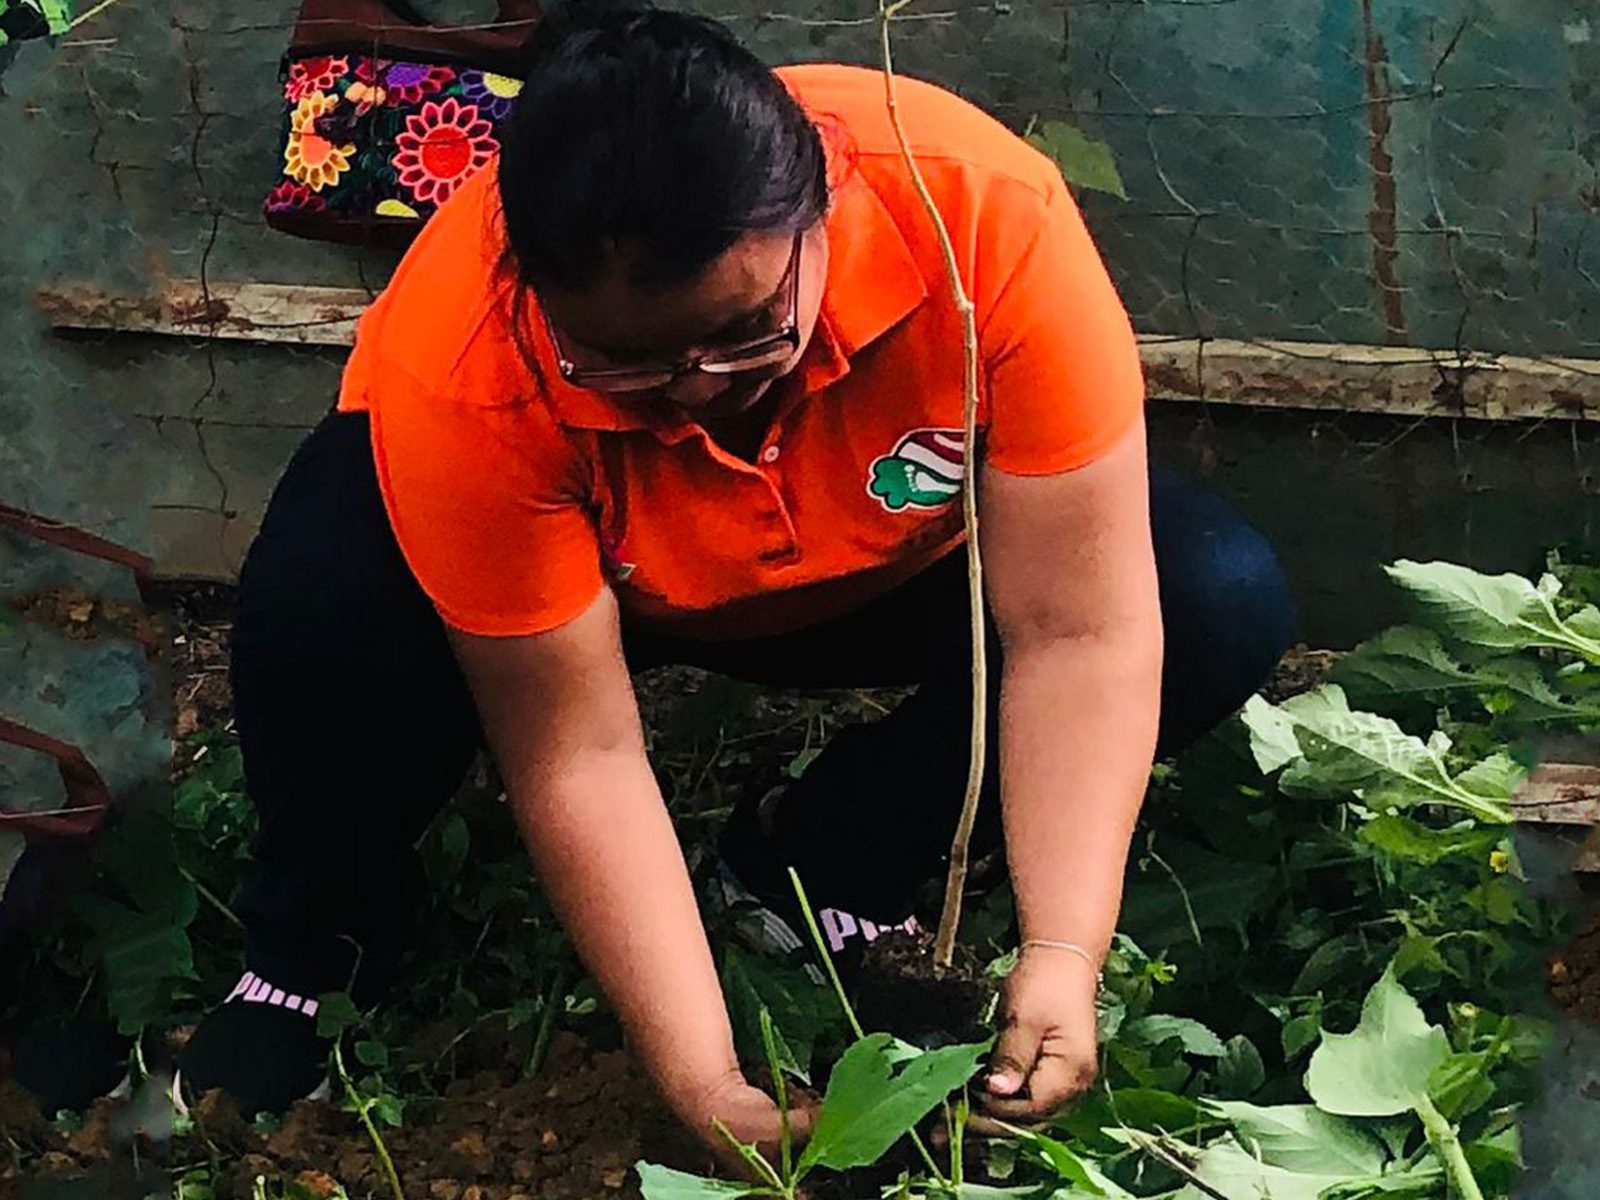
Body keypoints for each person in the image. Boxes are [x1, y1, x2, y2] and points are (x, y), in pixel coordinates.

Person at [176, 0, 1295, 1156]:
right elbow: (580, 748)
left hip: (885, 559)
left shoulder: (980, 219)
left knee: (1211, 594)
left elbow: (1076, 630)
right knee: (321, 610)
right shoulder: (465, 364)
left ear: (823, 209)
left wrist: (1064, 951)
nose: (700, 387)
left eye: (751, 330)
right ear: (529, 292)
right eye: (625, 362)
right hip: (606, 582)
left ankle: (816, 858)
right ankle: (313, 948)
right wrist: (703, 1077)